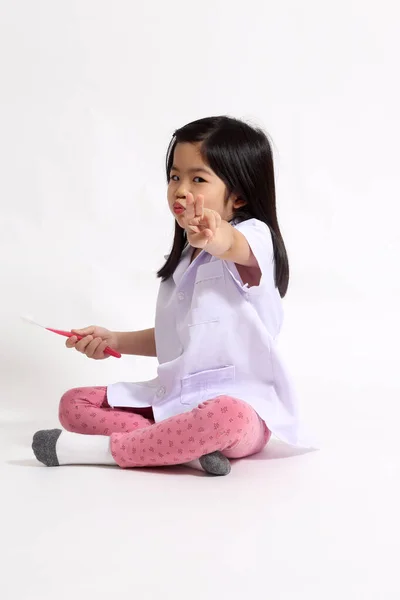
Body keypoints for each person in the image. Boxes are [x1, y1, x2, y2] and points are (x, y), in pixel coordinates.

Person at [32, 115, 313, 476]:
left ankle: (99, 451)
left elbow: (233, 244)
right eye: (175, 176)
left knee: (225, 416)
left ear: (239, 195)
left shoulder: (254, 238)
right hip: (176, 401)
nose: (180, 189)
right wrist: (114, 339)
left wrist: (216, 237)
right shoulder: (183, 260)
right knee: (74, 404)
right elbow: (177, 338)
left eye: (197, 178)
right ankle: (179, 448)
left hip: (243, 409)